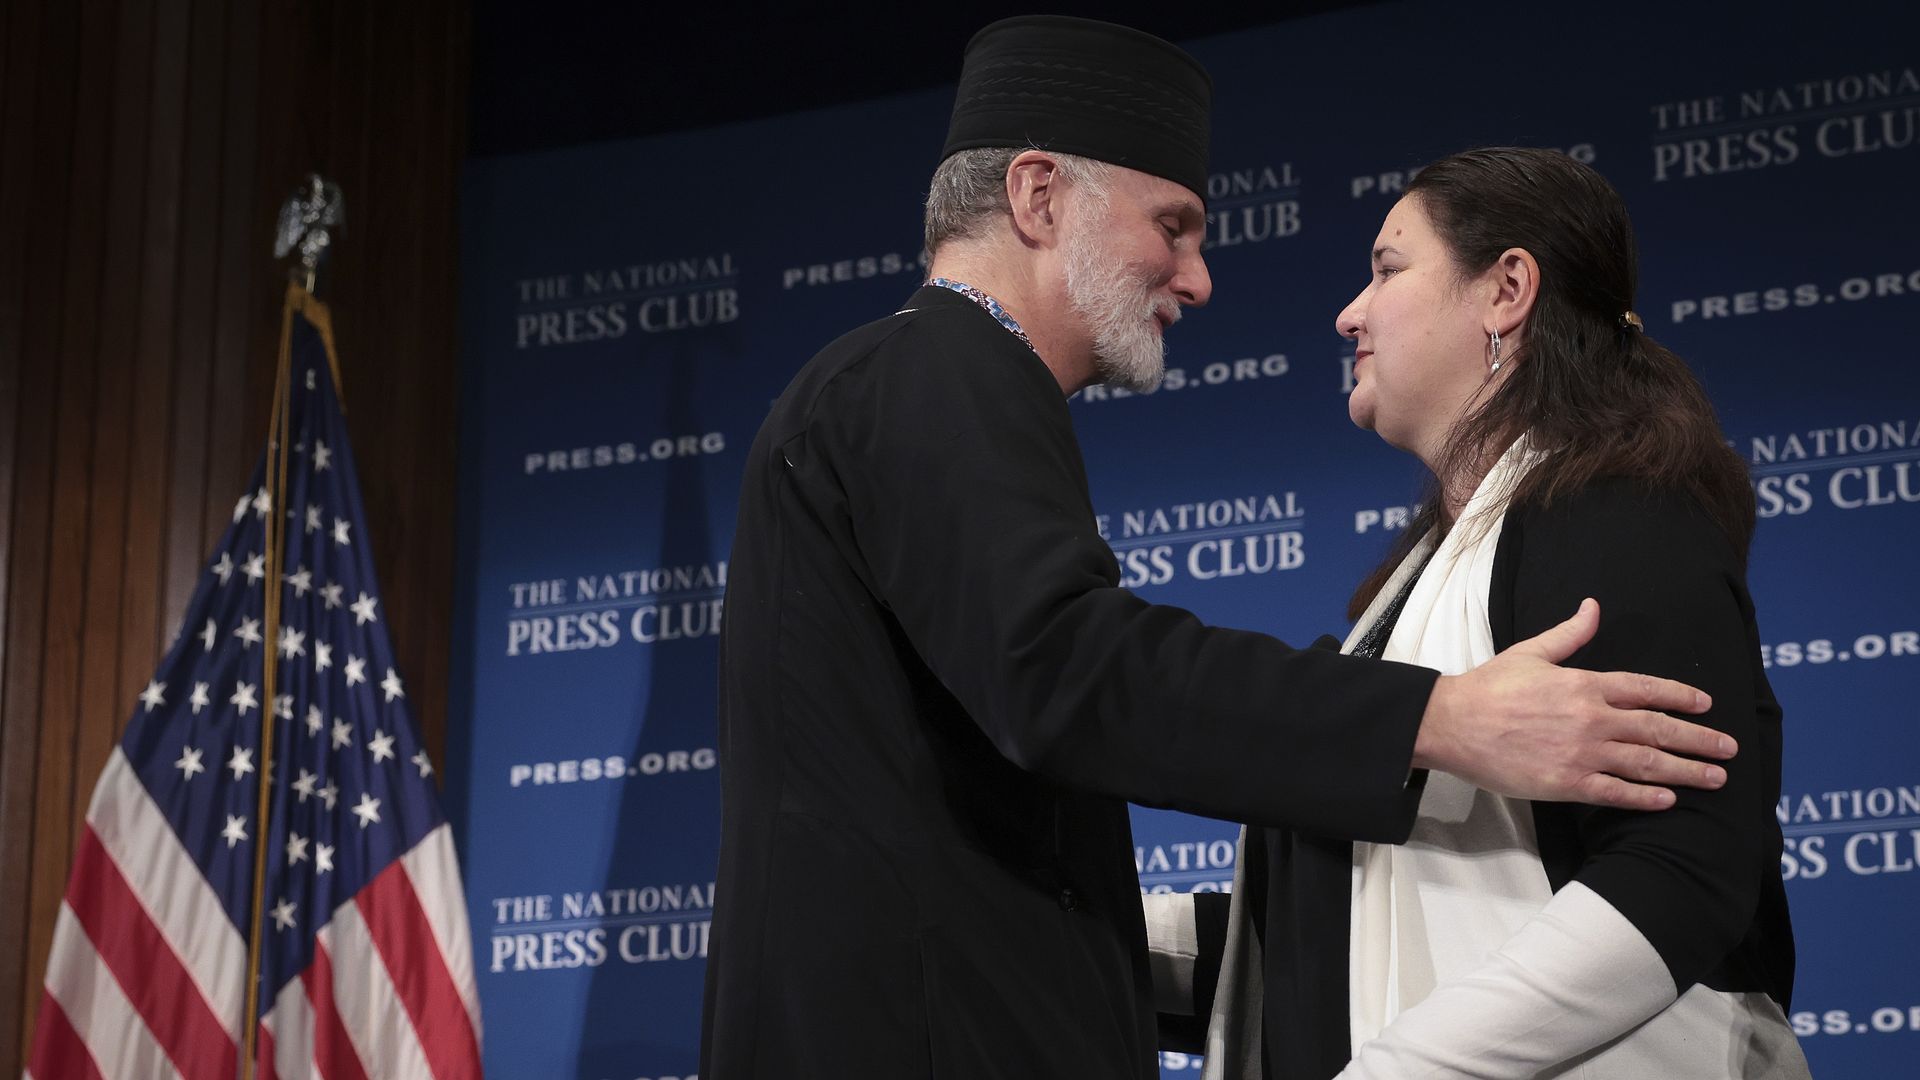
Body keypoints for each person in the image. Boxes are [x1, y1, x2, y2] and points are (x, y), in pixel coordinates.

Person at [700, 20, 1733, 1080]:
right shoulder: (931, 373)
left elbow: (1684, 869)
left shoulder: (1606, 514)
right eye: (1173, 226)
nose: (1196, 280)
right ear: (1040, 197)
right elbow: (1063, 667)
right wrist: (1440, 718)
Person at [1151, 147, 1808, 1079]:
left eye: (1388, 269)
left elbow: (1679, 870)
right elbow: (1344, 940)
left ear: (1506, 291)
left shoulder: (1615, 508)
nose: (1349, 312)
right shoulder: (1421, 580)